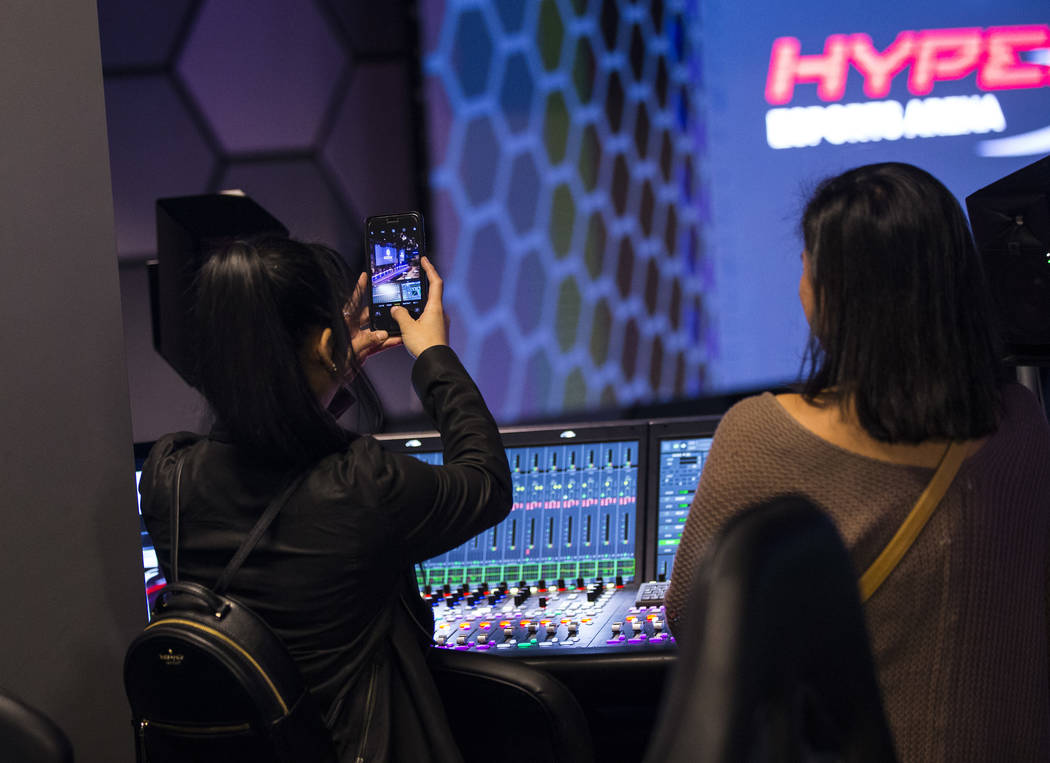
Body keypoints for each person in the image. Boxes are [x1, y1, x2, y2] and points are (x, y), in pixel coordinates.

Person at [664, 162, 1050, 761]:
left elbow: (696, 620)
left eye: (806, 263)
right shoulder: (1023, 423)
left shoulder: (762, 433)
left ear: (837, 293)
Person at [138, 235, 512, 762]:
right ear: (322, 345)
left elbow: (260, 444)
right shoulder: (362, 484)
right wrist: (435, 356)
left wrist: (329, 370)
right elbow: (486, 483)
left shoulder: (167, 476)